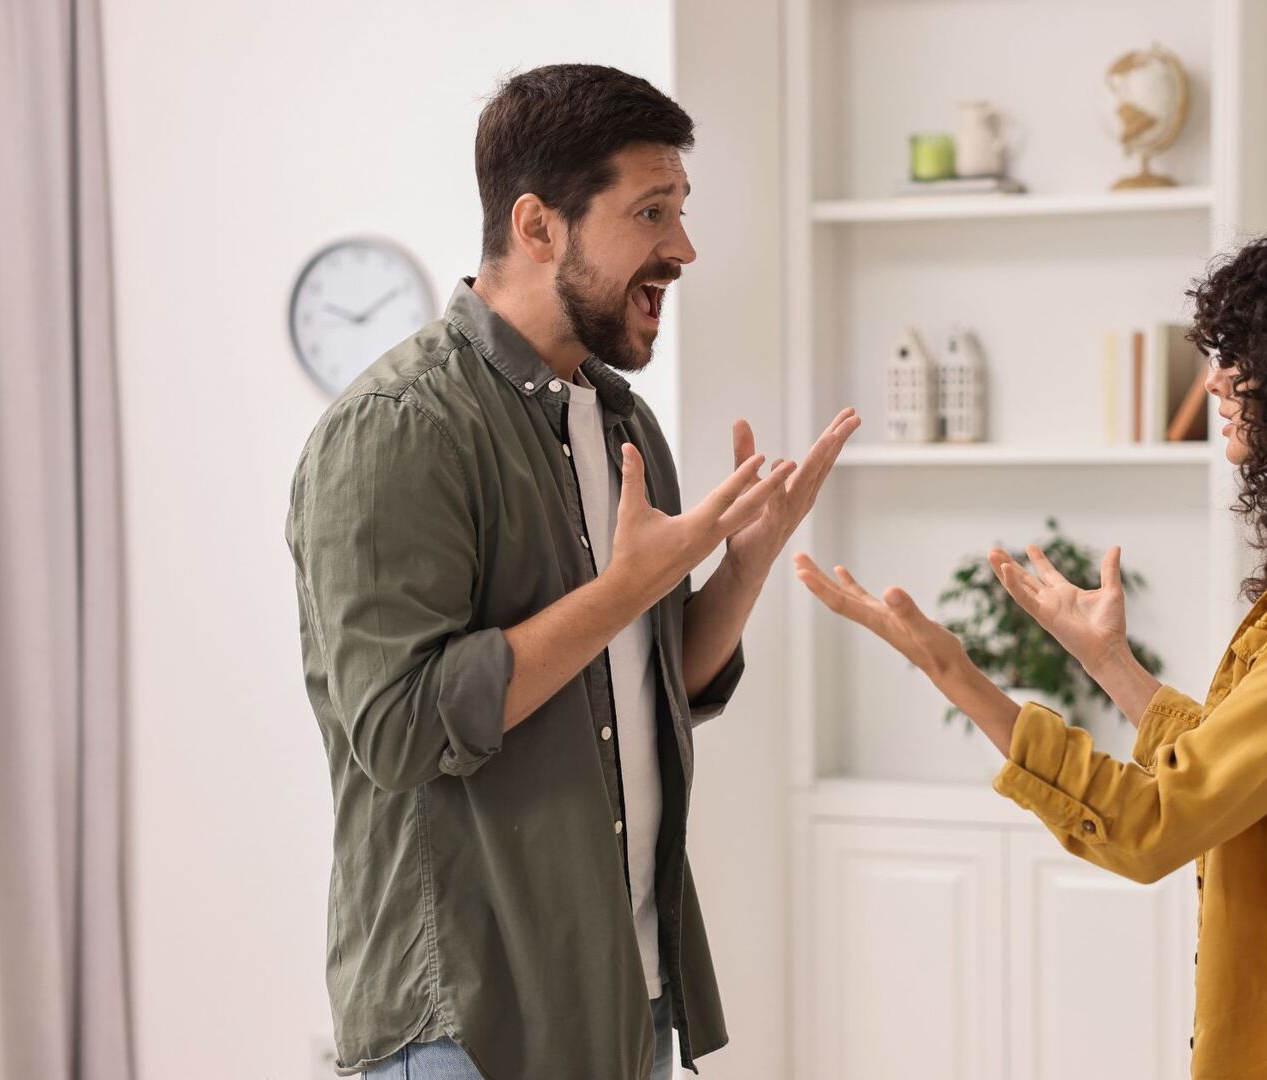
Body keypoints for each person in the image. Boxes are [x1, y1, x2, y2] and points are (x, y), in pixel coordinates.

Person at [798, 219, 1267, 1077]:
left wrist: (953, 671)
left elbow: (1155, 823)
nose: (1219, 380)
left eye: (1249, 356)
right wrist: (1111, 664)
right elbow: (1255, 782)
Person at [287, 65, 858, 1080]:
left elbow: (647, 685)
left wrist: (741, 569)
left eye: (681, 211)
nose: (681, 249)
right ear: (539, 226)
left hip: (619, 993)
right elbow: (399, 729)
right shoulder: (399, 429)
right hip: (464, 1019)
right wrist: (627, 589)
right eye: (650, 212)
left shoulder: (622, 425)